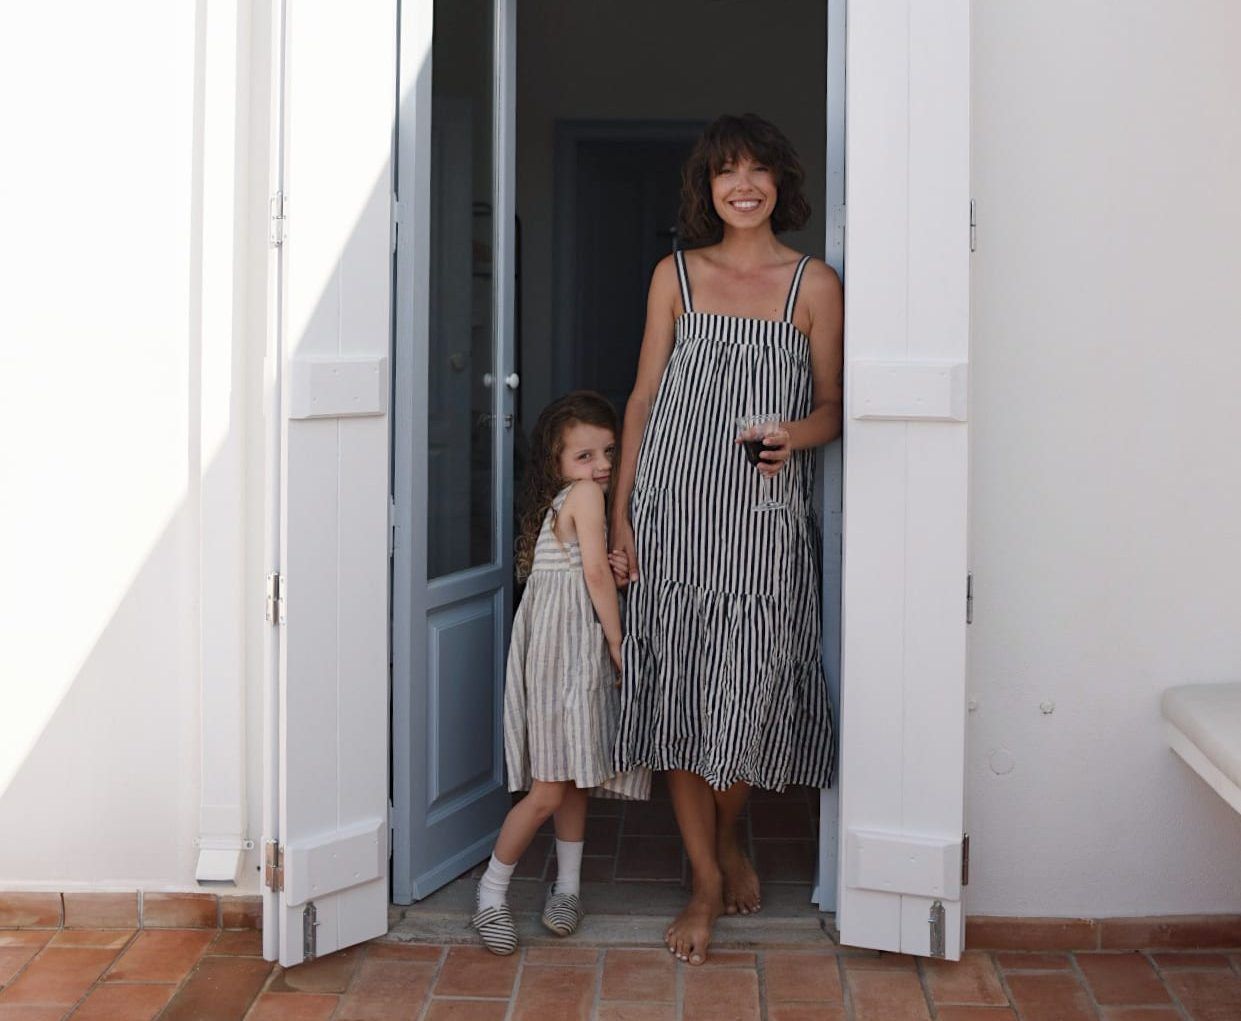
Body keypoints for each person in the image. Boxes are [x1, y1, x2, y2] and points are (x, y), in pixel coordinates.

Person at [609, 113, 843, 965]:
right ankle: (705, 877)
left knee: (742, 697)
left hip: (760, 525)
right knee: (679, 693)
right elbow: (639, 398)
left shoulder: (811, 284)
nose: (741, 184)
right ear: (705, 189)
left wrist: (795, 435)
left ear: (781, 181)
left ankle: (730, 832)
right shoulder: (674, 274)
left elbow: (833, 405)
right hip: (673, 514)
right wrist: (621, 510)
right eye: (724, 172)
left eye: (757, 170)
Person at [472, 391, 650, 956]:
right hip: (563, 653)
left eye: (608, 453)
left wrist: (614, 570)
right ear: (557, 462)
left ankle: (567, 888)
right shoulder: (586, 497)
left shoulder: (570, 499)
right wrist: (620, 642)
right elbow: (595, 574)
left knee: (573, 774)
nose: (601, 466)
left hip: (565, 648)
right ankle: (491, 894)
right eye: (584, 456)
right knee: (550, 787)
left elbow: (590, 568)